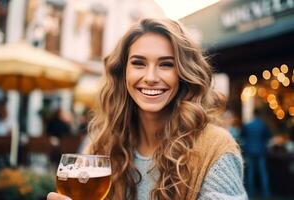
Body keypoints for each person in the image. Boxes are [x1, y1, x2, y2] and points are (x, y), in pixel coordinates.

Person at [47, 18, 247, 200]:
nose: (151, 77)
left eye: (166, 64)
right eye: (138, 63)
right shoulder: (101, 143)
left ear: (183, 74)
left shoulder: (216, 148)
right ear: (123, 72)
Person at [241, 108, 272, 199]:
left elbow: (243, 137)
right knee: (263, 173)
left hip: (250, 151)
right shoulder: (263, 125)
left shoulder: (248, 125)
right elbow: (268, 138)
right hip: (261, 151)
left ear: (253, 114)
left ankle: (251, 193)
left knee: (251, 173)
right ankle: (266, 193)